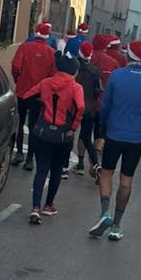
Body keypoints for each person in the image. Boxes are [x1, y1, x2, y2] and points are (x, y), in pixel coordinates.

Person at [88, 40, 141, 241]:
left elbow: (105, 106)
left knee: (106, 174)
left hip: (115, 133)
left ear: (129, 55)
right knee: (126, 181)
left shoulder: (116, 76)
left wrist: (103, 129)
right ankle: (116, 225)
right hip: (137, 138)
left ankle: (104, 213)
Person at [23, 52, 85, 224]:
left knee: (41, 169)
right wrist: (73, 127)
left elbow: (27, 95)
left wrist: (40, 105)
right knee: (57, 170)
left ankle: (35, 207)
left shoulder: (46, 82)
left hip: (43, 132)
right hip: (63, 135)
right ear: (74, 71)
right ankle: (49, 205)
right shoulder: (75, 88)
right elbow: (80, 107)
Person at [11, 22, 57, 171]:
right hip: (39, 95)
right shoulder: (51, 53)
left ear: (36, 33)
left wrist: (18, 80)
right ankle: (30, 158)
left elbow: (16, 67)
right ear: (47, 35)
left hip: (23, 91)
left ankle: (19, 153)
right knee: (33, 127)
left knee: (19, 122)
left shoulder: (25, 47)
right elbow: (52, 75)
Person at [73, 43, 103, 177]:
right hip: (89, 108)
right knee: (86, 138)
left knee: (69, 134)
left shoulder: (74, 66)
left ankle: (69, 167)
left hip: (73, 107)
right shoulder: (95, 70)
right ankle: (96, 163)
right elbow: (97, 91)